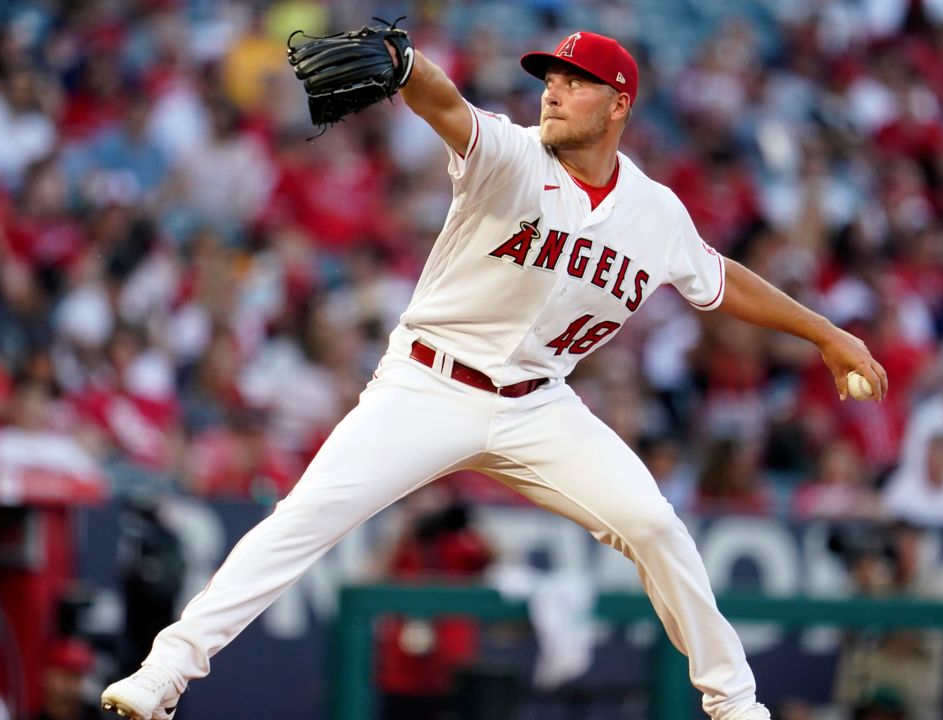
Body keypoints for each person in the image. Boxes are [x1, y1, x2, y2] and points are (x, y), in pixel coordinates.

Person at [101, 29, 887, 720]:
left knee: (654, 525)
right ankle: (166, 671)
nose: (552, 91)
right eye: (548, 78)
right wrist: (406, 66)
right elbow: (446, 106)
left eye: (574, 82)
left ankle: (736, 704)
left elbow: (720, 279)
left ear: (618, 105)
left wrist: (826, 335)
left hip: (540, 405)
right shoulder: (512, 155)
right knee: (302, 521)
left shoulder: (655, 212)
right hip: (427, 385)